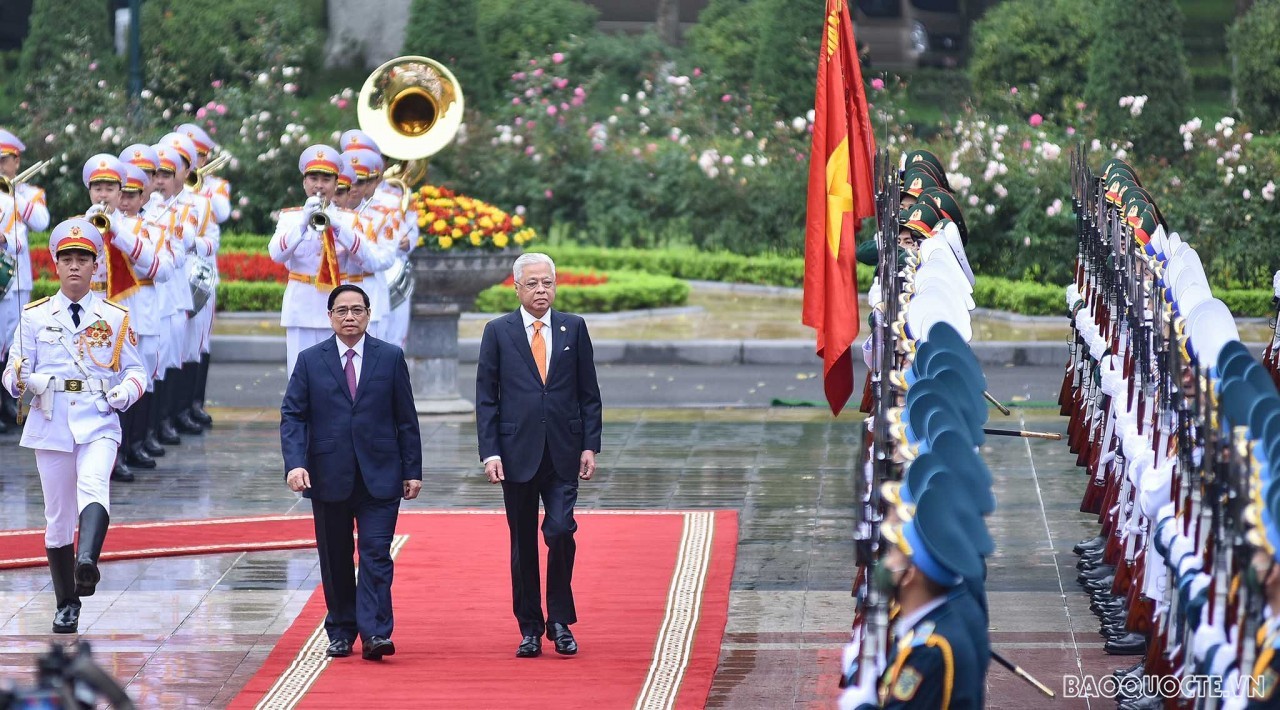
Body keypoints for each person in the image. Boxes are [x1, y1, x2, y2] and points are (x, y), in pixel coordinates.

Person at [1, 218, 147, 634]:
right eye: (68, 259)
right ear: (56, 264)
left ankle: (87, 562)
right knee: (58, 517)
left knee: (94, 484)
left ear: (96, 265)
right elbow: (12, 373)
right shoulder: (34, 317)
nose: (75, 267)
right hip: (51, 421)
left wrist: (123, 395)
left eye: (84, 258)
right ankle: (67, 603)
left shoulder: (114, 316)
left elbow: (137, 372)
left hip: (98, 417)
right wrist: (25, 381)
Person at [280, 283, 422, 661]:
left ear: (368, 314)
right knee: (336, 556)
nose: (349, 317)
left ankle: (376, 633)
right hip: (328, 474)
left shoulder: (390, 357)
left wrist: (413, 470)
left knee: (376, 553)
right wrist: (296, 463)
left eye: (357, 310)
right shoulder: (311, 360)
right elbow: (293, 415)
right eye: (341, 310)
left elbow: (406, 419)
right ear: (329, 317)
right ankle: (341, 629)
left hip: (381, 474)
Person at [476, 252, 603, 658]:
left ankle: (560, 622)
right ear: (516, 288)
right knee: (523, 544)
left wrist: (590, 444)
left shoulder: (574, 328)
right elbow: (486, 399)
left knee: (561, 531)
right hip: (516, 453)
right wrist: (490, 452)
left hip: (564, 450)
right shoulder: (498, 331)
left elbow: (589, 394)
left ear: (555, 285)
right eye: (532, 283)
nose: (541, 290)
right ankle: (530, 627)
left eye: (546, 282)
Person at [269, 145, 378, 375]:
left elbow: (369, 260)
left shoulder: (351, 220)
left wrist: (339, 227)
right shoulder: (290, 218)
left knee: (339, 376)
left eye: (326, 179)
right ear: (304, 183)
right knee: (300, 376)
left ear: (337, 183)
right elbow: (276, 254)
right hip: (302, 306)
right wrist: (303, 223)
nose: (319, 185)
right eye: (313, 178)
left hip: (338, 308)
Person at [0, 128, 51, 434]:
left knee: (12, 343)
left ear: (16, 161)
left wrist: (15, 194)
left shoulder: (28, 193)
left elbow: (41, 222)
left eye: (5, 160)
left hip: (14, 280)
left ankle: (10, 403)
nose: (1, 166)